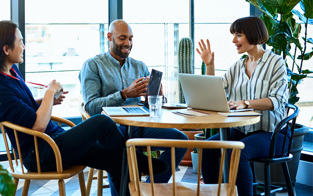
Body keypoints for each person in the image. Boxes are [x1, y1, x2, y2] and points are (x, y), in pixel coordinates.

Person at [0, 20, 166, 196]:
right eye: (20, 43)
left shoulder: (11, 73)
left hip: (53, 140)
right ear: (6, 49)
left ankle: (134, 160)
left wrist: (47, 101)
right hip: (40, 154)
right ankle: (138, 159)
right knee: (102, 121)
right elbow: (37, 126)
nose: (24, 47)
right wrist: (47, 94)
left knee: (117, 160)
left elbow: (22, 109)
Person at [79, 19, 188, 183]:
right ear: (109, 37)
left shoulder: (139, 66)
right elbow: (92, 107)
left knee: (180, 140)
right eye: (122, 38)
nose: (128, 43)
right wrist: (123, 94)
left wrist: (158, 96)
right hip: (111, 130)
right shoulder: (93, 65)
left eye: (130, 38)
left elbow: (150, 106)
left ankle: (151, 188)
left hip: (138, 126)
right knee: (119, 150)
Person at [195, 16, 289, 196]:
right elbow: (215, 92)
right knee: (207, 147)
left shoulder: (276, 63)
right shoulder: (237, 66)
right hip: (243, 130)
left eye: (238, 35)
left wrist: (246, 103)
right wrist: (209, 65)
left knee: (237, 152)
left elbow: (277, 100)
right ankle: (216, 193)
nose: (233, 40)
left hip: (271, 133)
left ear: (253, 35)